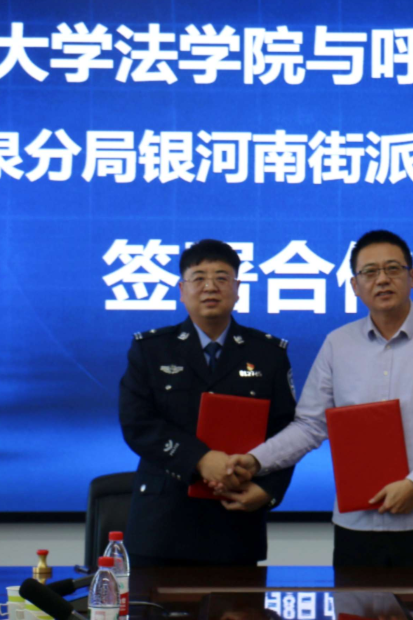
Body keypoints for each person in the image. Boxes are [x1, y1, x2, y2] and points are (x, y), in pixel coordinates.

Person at [227, 229, 413, 568]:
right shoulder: (338, 344)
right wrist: (255, 461)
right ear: (355, 286)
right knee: (353, 605)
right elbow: (309, 426)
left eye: (393, 269)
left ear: (412, 277)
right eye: (370, 272)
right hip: (356, 527)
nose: (382, 279)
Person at [118, 239, 297, 566]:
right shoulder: (151, 349)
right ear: (182, 290)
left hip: (237, 519)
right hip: (161, 524)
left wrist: (269, 490)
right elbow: (137, 424)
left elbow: (287, 432)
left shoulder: (267, 354)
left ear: (237, 289)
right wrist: (199, 459)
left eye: (221, 278)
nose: (210, 287)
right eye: (199, 278)